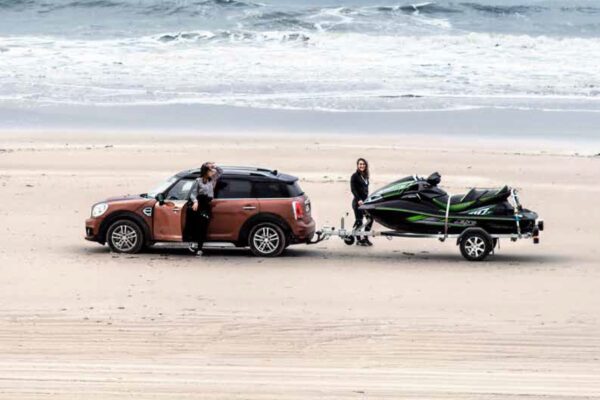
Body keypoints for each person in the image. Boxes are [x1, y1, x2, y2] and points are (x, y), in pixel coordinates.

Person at [188, 162, 223, 254]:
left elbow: (220, 171)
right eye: (210, 170)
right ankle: (194, 244)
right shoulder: (198, 181)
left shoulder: (212, 179)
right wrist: (195, 202)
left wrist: (213, 166)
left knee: (204, 226)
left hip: (207, 204)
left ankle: (199, 247)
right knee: (198, 225)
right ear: (205, 171)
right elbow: (193, 193)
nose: (212, 172)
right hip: (200, 204)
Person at [350, 158, 373, 246]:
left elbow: (365, 191)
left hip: (365, 203)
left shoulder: (366, 176)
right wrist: (359, 199)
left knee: (370, 219)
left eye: (363, 164)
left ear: (365, 165)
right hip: (357, 203)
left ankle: (365, 238)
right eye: (360, 164)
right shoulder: (354, 176)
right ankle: (359, 239)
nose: (362, 165)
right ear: (357, 165)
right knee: (359, 221)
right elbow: (353, 189)